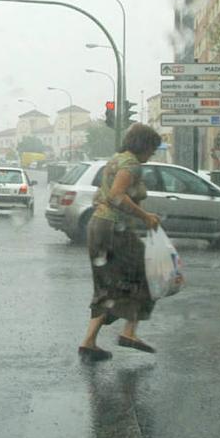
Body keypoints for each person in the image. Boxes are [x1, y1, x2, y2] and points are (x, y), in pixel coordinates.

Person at [78, 123, 163, 362]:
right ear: (143, 145)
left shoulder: (116, 159)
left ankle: (89, 342)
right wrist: (145, 217)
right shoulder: (131, 164)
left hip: (99, 226)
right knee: (149, 272)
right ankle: (129, 332)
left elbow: (103, 195)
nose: (152, 154)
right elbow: (116, 195)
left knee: (106, 285)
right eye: (152, 148)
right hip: (115, 228)